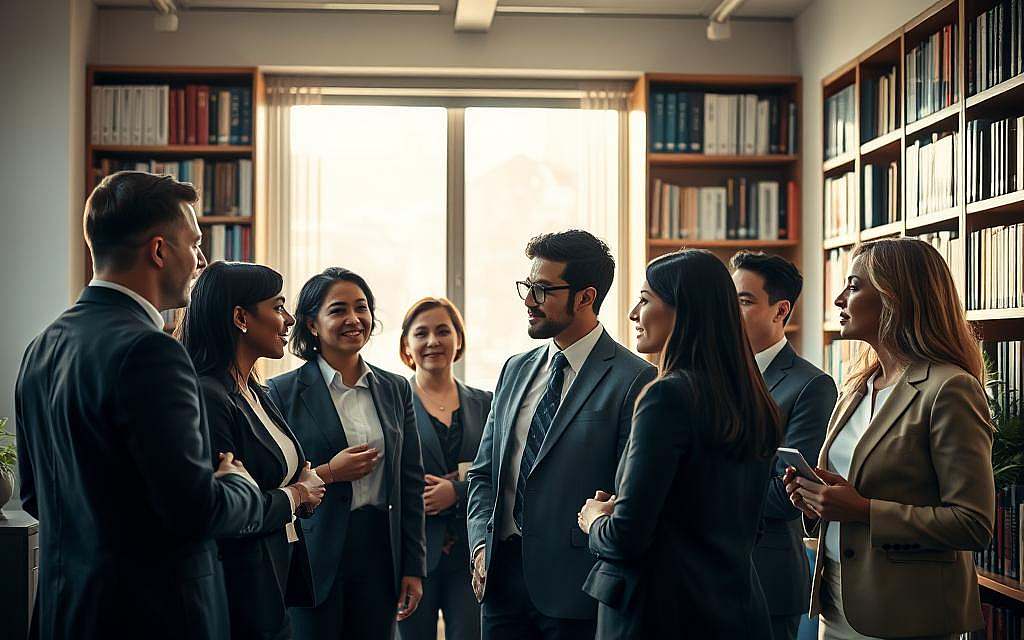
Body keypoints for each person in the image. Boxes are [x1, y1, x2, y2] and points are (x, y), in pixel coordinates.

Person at [14, 171, 265, 640]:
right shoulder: (153, 352)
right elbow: (194, 512)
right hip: (151, 618)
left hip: (63, 615)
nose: (200, 260)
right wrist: (239, 484)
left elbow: (36, 496)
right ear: (158, 250)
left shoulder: (41, 347)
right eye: (193, 244)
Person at [785, 238, 994, 639]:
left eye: (853, 286)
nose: (838, 298)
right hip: (837, 609)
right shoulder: (856, 386)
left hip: (908, 617)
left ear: (895, 298)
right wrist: (815, 502)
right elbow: (848, 492)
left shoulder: (950, 389)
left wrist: (863, 510)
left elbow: (973, 523)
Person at [578, 248, 782, 640]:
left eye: (644, 299)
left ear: (682, 310)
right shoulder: (756, 402)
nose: (632, 313)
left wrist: (596, 519)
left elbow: (625, 538)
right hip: (735, 613)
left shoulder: (665, 398)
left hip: (661, 617)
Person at [467, 230, 656, 640]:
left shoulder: (635, 380)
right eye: (528, 287)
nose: (529, 301)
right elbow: (484, 474)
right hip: (499, 585)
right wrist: (480, 545)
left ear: (586, 297)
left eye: (543, 290)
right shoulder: (514, 369)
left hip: (577, 589)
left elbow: (629, 494)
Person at [267, 267, 427, 640]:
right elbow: (275, 483)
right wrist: (328, 472)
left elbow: (410, 481)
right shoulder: (281, 392)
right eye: (339, 310)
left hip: (380, 549)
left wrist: (413, 566)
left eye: (362, 308)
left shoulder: (395, 388)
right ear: (311, 323)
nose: (354, 319)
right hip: (313, 552)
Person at [179, 261, 327, 639]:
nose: (289, 319)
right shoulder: (209, 397)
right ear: (241, 317)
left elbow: (265, 479)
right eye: (278, 307)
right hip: (239, 589)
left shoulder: (254, 389)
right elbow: (228, 510)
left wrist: (300, 484)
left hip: (274, 578)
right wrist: (295, 495)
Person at [731, 250, 838, 640]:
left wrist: (705, 488)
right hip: (699, 578)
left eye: (743, 301)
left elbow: (788, 493)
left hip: (766, 578)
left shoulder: (811, 386)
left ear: (780, 311)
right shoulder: (709, 377)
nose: (730, 311)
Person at [397, 297, 492, 640]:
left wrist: (456, 492)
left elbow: (500, 474)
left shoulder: (487, 403)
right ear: (407, 346)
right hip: (413, 555)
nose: (433, 341)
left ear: (459, 339)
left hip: (472, 554)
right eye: (421, 333)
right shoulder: (391, 401)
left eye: (442, 331)